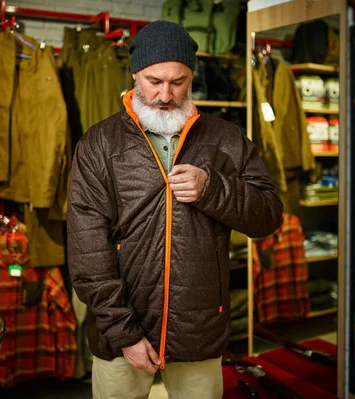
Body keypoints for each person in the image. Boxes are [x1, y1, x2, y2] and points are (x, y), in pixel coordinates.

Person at [67, 20, 283, 399]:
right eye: (154, 80)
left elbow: (268, 216)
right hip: (122, 329)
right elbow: (87, 248)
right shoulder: (99, 144)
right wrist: (122, 332)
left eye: (178, 81)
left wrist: (212, 188)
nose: (165, 94)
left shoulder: (225, 138)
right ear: (135, 75)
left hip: (198, 328)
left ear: (192, 77)